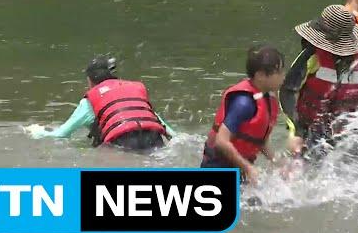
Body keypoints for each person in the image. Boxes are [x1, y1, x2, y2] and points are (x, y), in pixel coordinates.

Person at [279, 4, 358, 161]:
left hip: (350, 132)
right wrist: (296, 132)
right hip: (311, 130)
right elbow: (287, 91)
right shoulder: (312, 56)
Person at [27, 55, 174, 150]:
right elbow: (170, 133)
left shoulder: (89, 103)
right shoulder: (134, 92)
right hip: (155, 140)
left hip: (123, 145)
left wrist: (35, 131)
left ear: (90, 80)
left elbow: (61, 135)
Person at [200, 45, 287, 185]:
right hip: (218, 167)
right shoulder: (244, 103)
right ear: (260, 76)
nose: (283, 76)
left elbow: (260, 140)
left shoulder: (265, 98)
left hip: (239, 167)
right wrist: (248, 168)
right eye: (279, 72)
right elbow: (221, 141)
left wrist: (278, 163)